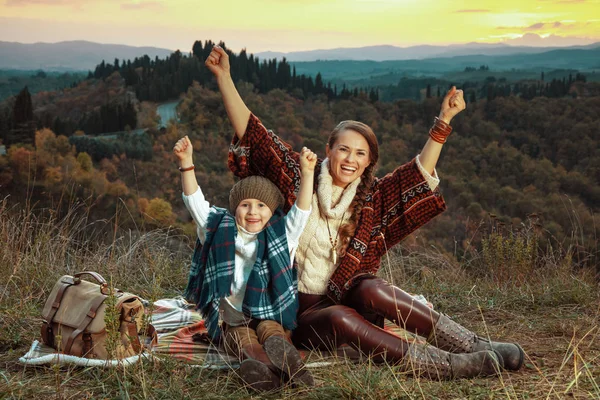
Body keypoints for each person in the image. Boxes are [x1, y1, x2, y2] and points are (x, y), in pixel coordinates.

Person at [205, 45, 525, 379]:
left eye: (360, 153)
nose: (350, 159)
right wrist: (225, 78)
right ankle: (440, 365)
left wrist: (443, 123)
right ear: (329, 149)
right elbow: (255, 136)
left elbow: (416, 178)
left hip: (345, 297)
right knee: (339, 318)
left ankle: (470, 344)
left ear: (368, 161)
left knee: (370, 287)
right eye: (343, 149)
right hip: (296, 315)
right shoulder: (299, 176)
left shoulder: (371, 198)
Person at [174, 135, 317, 391]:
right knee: (241, 340)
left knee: (273, 334)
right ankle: (270, 374)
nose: (253, 212)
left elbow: (302, 213)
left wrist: (307, 175)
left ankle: (286, 362)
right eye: (245, 205)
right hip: (235, 319)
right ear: (234, 208)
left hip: (271, 314)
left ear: (272, 211)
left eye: (261, 205)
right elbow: (195, 203)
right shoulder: (219, 230)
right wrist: (187, 163)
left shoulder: (281, 235)